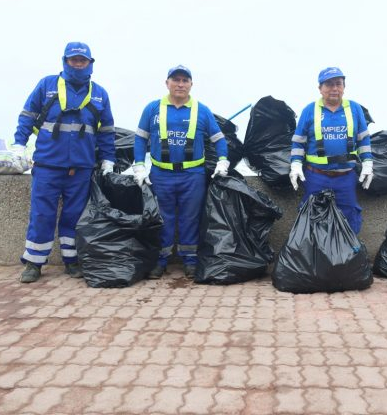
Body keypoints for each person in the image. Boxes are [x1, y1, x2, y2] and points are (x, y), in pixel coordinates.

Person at [13, 42, 116, 283]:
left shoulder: (100, 93)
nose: (78, 64)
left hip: (81, 167)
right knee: (42, 215)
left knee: (74, 216)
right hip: (48, 165)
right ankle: (34, 263)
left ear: (90, 63)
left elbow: (107, 131)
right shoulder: (47, 85)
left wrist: (108, 159)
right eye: (74, 60)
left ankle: (72, 261)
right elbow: (27, 116)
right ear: (65, 61)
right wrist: (19, 143)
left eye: (83, 60)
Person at [132, 65, 229, 278]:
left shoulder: (201, 110)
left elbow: (219, 140)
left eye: (185, 80)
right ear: (167, 83)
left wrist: (223, 161)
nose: (180, 84)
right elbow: (140, 138)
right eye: (175, 80)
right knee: (162, 218)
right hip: (161, 175)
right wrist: (139, 165)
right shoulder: (152, 109)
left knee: (190, 218)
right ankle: (161, 260)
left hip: (192, 175)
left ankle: (190, 260)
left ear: (191, 84)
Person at [289, 67, 373, 234]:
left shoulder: (354, 109)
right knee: (311, 218)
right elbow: (298, 142)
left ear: (344, 87)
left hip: (346, 178)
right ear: (320, 88)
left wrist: (368, 163)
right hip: (316, 177)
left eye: (338, 84)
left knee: (349, 217)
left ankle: (349, 256)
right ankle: (312, 256)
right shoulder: (309, 110)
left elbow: (363, 139)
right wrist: (296, 165)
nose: (334, 89)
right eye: (329, 85)